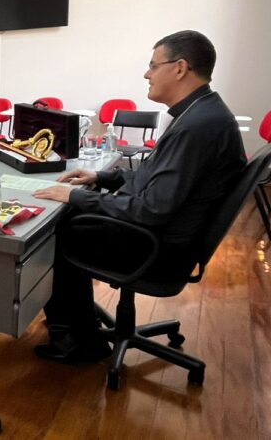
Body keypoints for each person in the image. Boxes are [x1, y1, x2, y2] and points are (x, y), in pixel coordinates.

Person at [31, 30, 246, 363]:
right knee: (71, 215)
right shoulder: (203, 113)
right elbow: (157, 178)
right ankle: (77, 324)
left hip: (157, 248)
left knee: (58, 229)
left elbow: (150, 208)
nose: (147, 74)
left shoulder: (197, 127)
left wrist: (74, 198)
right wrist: (101, 176)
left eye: (153, 65)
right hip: (166, 236)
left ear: (180, 68)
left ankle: (75, 341)